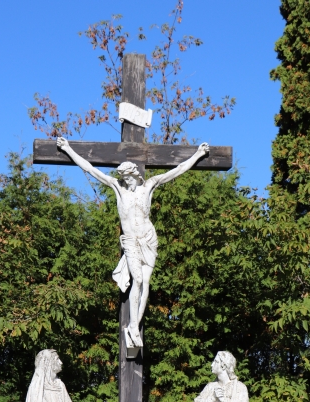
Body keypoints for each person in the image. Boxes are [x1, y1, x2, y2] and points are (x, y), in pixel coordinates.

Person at [57, 136, 209, 348]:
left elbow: (178, 170)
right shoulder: (117, 188)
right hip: (130, 241)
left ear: (135, 175)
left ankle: (135, 325)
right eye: (124, 177)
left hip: (148, 239)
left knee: (145, 283)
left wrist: (198, 154)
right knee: (136, 281)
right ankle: (132, 325)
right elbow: (91, 169)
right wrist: (68, 149)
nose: (126, 181)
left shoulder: (149, 186)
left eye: (128, 177)